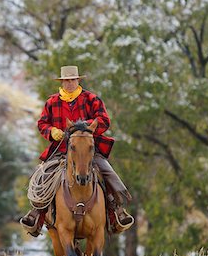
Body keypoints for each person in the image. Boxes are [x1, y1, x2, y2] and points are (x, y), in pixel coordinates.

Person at [21, 65, 133, 235]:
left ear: (78, 80)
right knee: (43, 177)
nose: (70, 83)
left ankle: (116, 210)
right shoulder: (52, 102)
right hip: (60, 150)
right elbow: (42, 123)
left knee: (107, 172)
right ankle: (37, 213)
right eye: (66, 80)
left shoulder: (91, 99)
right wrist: (52, 131)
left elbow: (104, 120)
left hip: (87, 151)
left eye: (73, 80)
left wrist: (84, 128)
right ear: (62, 82)